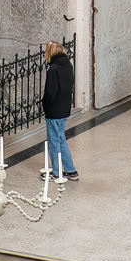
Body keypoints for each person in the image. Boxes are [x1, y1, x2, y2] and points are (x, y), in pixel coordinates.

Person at [42, 40, 78, 181]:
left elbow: (50, 93)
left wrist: (45, 105)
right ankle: (70, 170)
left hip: (54, 111)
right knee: (61, 139)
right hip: (64, 109)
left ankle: (56, 172)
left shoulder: (53, 69)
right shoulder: (68, 65)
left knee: (54, 142)